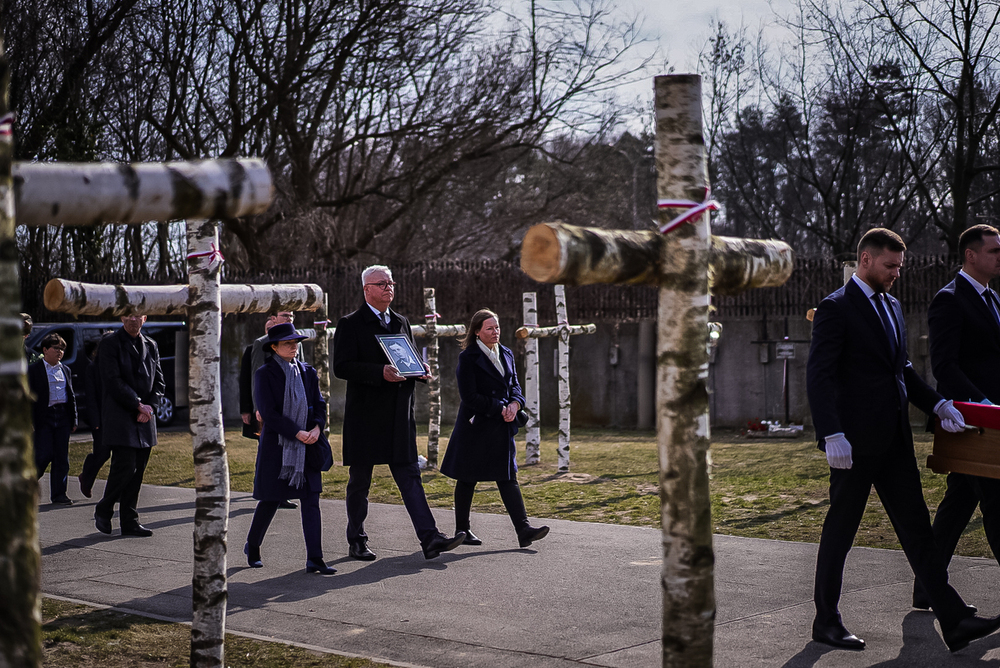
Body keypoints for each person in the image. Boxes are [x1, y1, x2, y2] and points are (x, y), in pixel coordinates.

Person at [806, 227, 1000, 653]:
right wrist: (831, 433)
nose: (897, 273)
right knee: (841, 530)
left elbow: (903, 371)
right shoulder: (836, 308)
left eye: (900, 266)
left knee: (918, 532)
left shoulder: (892, 306)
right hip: (853, 445)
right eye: (890, 266)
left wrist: (940, 406)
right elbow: (818, 375)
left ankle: (953, 621)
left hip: (894, 442)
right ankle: (826, 620)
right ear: (866, 261)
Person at [333, 264, 465, 560]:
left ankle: (430, 539)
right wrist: (380, 371)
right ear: (366, 289)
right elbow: (341, 366)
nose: (388, 287)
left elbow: (409, 359)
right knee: (360, 481)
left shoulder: (402, 321)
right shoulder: (350, 323)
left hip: (398, 415)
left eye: (391, 283)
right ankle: (357, 538)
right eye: (382, 284)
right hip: (366, 417)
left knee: (409, 476)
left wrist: (421, 369)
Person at [912, 224, 1000, 609]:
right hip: (970, 422)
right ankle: (928, 587)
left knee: (958, 505)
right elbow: (945, 367)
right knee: (996, 505)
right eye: (994, 250)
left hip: (993, 424)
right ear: (971, 255)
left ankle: (926, 587)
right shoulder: (949, 300)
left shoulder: (993, 299)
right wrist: (982, 404)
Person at [440, 309, 549, 548]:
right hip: (476, 427)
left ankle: (523, 530)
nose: (495, 332)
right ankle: (463, 530)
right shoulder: (468, 358)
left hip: (501, 427)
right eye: (489, 328)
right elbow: (469, 397)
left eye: (497, 327)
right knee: (468, 478)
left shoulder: (507, 353)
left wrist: (515, 403)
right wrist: (500, 407)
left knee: (508, 477)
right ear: (477, 332)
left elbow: (515, 386)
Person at [244, 322, 336, 575]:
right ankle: (252, 545)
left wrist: (316, 429)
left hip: (308, 446)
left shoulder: (307, 371)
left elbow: (319, 405)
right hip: (278, 448)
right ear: (274, 347)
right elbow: (269, 414)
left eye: (295, 342)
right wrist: (297, 433)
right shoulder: (265, 373)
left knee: (311, 502)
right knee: (270, 500)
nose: (293, 346)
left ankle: (315, 559)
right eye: (287, 343)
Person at [94, 313, 165, 538]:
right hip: (121, 414)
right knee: (125, 467)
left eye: (137, 315)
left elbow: (159, 381)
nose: (133, 320)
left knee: (138, 471)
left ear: (145, 317)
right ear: (121, 317)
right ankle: (104, 508)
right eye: (128, 315)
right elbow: (112, 379)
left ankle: (129, 520)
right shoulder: (110, 343)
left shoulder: (151, 344)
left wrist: (150, 406)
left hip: (145, 417)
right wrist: (137, 404)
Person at [239, 309, 297, 509]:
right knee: (268, 451)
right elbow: (255, 377)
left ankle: (282, 493)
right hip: (269, 409)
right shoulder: (261, 343)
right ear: (273, 319)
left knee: (286, 452)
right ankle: (265, 491)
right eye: (285, 316)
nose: (290, 319)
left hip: (290, 408)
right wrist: (256, 408)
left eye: (291, 316)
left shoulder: (295, 342)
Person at [28, 333, 78, 505]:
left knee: (61, 457)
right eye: (55, 348)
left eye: (62, 349)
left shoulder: (66, 370)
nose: (59, 352)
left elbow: (70, 396)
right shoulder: (34, 370)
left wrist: (73, 420)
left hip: (62, 415)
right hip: (44, 416)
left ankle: (59, 494)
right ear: (45, 350)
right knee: (43, 455)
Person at [79, 333, 112, 498]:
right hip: (101, 419)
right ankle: (86, 476)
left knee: (120, 458)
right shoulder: (93, 368)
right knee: (102, 453)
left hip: (117, 419)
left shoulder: (118, 365)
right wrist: (95, 421)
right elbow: (90, 397)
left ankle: (115, 492)